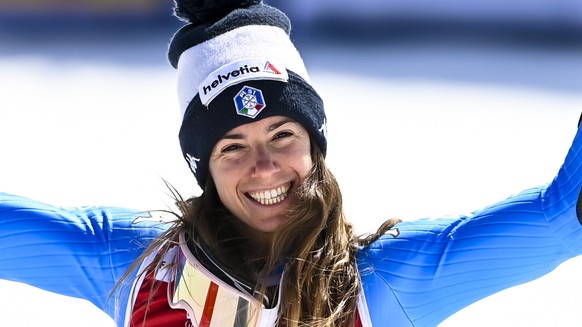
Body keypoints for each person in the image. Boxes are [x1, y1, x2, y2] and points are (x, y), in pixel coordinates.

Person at [1, 0, 581, 326]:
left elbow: (562, 220)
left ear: (315, 144)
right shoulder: (137, 270)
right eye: (232, 147)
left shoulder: (387, 286)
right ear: (203, 169)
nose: (264, 167)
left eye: (282, 134)